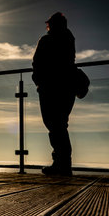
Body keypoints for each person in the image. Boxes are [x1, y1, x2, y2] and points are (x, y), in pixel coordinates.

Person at [32, 12, 77, 176]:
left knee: (54, 125)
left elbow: (36, 63)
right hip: (65, 87)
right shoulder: (69, 38)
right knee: (59, 125)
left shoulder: (47, 40)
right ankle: (63, 163)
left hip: (50, 88)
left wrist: (39, 82)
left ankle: (61, 164)